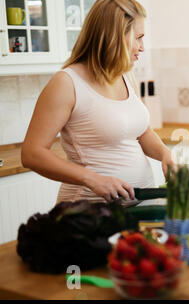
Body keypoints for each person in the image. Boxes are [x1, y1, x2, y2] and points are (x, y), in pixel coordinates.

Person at [21, 0, 175, 203]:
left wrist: (165, 154)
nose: (142, 47)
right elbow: (32, 154)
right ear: (115, 35)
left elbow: (143, 132)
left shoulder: (126, 76)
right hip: (89, 212)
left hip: (139, 208)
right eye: (138, 37)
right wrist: (93, 179)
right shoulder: (66, 83)